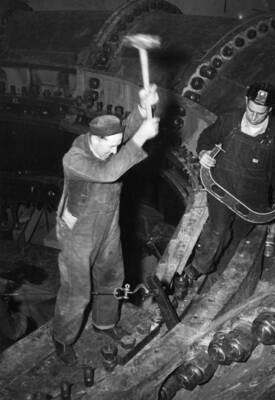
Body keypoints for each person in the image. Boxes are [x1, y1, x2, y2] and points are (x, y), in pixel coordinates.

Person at [52, 85, 159, 365]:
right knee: (77, 291)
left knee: (112, 277)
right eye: (110, 145)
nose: (115, 150)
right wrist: (140, 141)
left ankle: (106, 323)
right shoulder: (74, 158)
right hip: (79, 231)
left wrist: (143, 107)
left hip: (108, 222)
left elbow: (126, 128)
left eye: (118, 144)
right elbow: (108, 173)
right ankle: (62, 338)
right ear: (93, 138)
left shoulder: (109, 142)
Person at [185, 82, 275, 281]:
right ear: (246, 101)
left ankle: (221, 277)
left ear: (270, 110)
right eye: (251, 110)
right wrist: (203, 152)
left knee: (237, 238)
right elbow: (207, 137)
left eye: (260, 113)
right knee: (218, 230)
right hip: (222, 185)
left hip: (252, 197)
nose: (253, 116)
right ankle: (199, 268)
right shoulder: (230, 120)